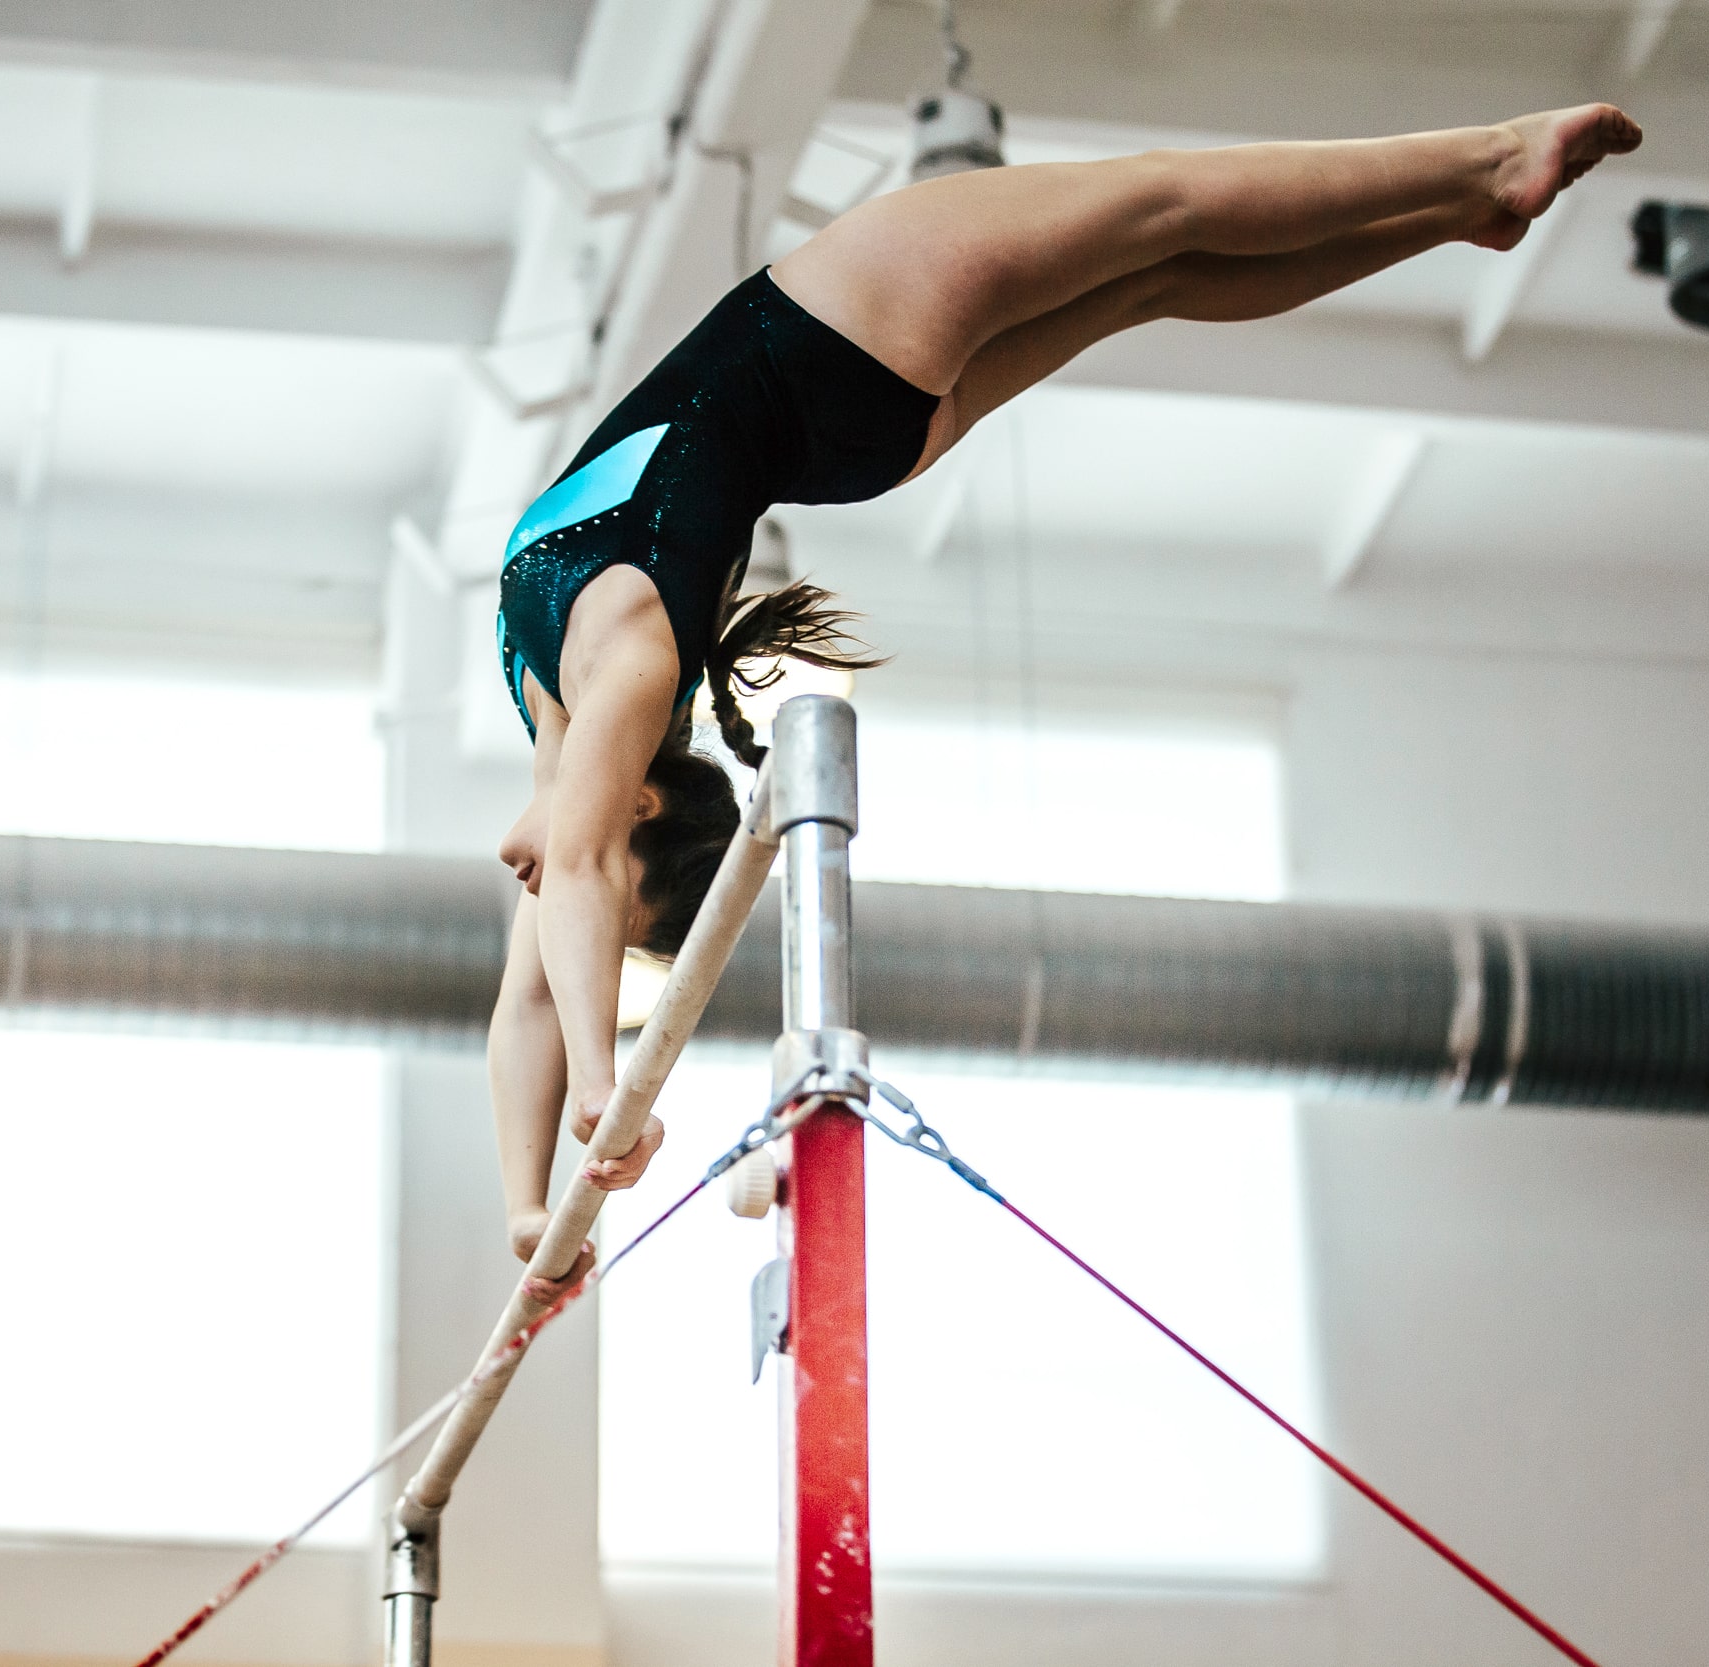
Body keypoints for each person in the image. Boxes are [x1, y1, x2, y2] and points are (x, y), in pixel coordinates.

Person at [488, 104, 1643, 1288]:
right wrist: (581, 1130)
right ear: (633, 804)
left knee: (1163, 279)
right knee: (1159, 207)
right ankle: (1490, 162)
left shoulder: (564, 719)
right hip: (831, 332)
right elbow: (562, 922)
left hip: (847, 415)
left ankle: (1461, 212)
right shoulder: (623, 661)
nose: (539, 885)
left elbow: (536, 984)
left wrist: (549, 1173)